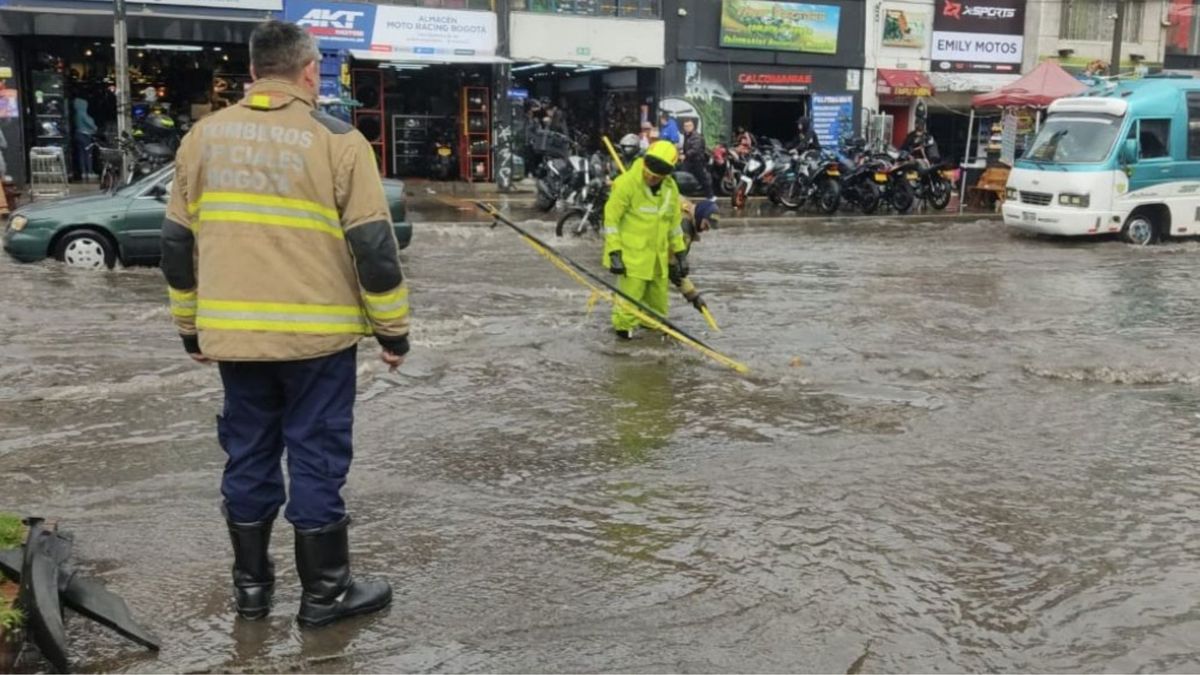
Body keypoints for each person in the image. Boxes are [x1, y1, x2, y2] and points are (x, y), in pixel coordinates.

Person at [160, 20, 409, 628]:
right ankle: (324, 596)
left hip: (236, 342)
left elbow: (175, 244)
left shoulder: (203, 138)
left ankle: (252, 593)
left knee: (247, 456)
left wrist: (190, 328)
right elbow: (374, 248)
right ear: (307, 72)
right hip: (316, 343)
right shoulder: (339, 141)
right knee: (316, 459)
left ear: (252, 73)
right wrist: (392, 333)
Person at [603, 140, 685, 339]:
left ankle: (653, 346)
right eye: (648, 173)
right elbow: (611, 219)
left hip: (658, 260)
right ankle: (623, 346)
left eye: (656, 177)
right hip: (631, 259)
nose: (650, 178)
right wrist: (614, 252)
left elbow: (674, 223)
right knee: (627, 306)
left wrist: (680, 253)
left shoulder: (670, 188)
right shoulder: (627, 183)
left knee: (657, 309)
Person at [670, 199, 719, 312]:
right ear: (700, 216)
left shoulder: (683, 206)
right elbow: (673, 267)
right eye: (706, 225)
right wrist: (693, 297)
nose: (705, 230)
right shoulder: (684, 229)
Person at [680, 118, 713, 200]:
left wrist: (685, 155)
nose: (687, 127)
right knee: (683, 176)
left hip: (697, 161)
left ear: (693, 126)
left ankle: (711, 196)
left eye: (689, 126)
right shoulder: (686, 135)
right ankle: (684, 195)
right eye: (685, 126)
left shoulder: (696, 136)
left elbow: (695, 149)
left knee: (702, 178)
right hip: (689, 161)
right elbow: (686, 147)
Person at [72, 97, 97, 181]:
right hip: (85, 136)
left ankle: (83, 172)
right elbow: (91, 124)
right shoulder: (83, 114)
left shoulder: (76, 114)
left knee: (81, 155)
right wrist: (94, 127)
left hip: (77, 135)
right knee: (88, 155)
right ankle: (89, 172)